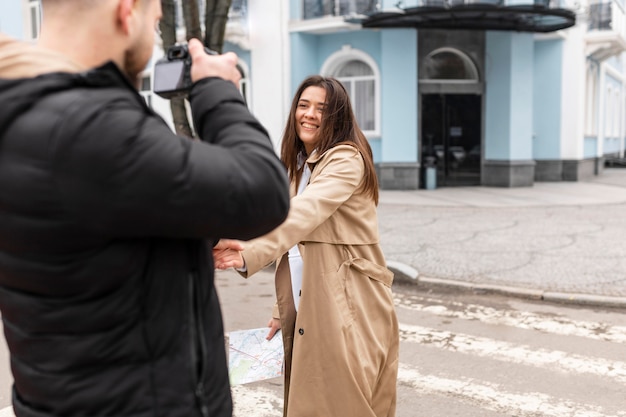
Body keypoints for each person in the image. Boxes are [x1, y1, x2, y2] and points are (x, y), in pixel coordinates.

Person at [0, 0, 290, 416]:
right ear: (126, 10)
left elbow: (80, 216)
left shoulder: (24, 108)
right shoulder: (91, 124)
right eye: (155, 19)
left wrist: (198, 229)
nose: (156, 29)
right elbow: (262, 191)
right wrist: (218, 90)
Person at [214, 75, 399, 417]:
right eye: (303, 105)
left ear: (338, 118)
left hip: (349, 307)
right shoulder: (300, 166)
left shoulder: (346, 159)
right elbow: (298, 249)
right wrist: (278, 310)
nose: (309, 114)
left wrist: (248, 251)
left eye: (322, 109)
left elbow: (303, 213)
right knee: (312, 401)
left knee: (342, 405)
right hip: (314, 305)